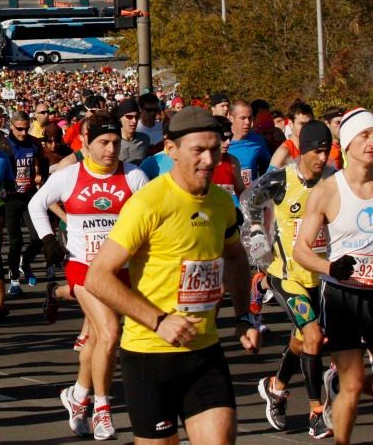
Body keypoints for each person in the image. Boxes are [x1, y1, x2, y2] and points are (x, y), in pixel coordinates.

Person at [85, 107, 261, 444]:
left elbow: (236, 258)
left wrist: (243, 316)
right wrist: (159, 320)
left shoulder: (221, 203)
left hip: (205, 351)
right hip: (151, 355)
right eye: (198, 150)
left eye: (215, 149)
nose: (209, 160)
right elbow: (99, 277)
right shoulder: (148, 204)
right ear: (171, 150)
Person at [29, 112, 149, 439]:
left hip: (120, 271)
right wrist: (49, 240)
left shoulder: (135, 178)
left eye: (115, 142)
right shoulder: (69, 176)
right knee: (109, 333)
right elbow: (36, 205)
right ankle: (102, 410)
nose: (111, 149)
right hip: (83, 267)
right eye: (103, 143)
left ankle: (77, 395)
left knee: (97, 339)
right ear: (86, 143)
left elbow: (154, 218)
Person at [242, 120, 335, 439]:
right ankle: (317, 412)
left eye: (326, 150)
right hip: (286, 274)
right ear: (304, 150)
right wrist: (256, 231)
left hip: (320, 275)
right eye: (316, 151)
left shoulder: (332, 179)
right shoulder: (282, 179)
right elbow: (250, 200)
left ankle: (275, 387)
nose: (322, 157)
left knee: (301, 339)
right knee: (313, 337)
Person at [293, 109, 373, 445]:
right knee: (353, 386)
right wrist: (330, 267)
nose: (372, 142)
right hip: (343, 295)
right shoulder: (327, 190)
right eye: (365, 135)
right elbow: (302, 250)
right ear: (349, 142)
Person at [0, 110, 49, 295]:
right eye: (19, 129)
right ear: (11, 126)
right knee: (15, 241)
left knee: (38, 237)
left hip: (29, 196)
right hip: (11, 198)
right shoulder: (5, 144)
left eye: (26, 129)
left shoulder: (34, 142)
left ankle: (25, 262)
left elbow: (43, 166)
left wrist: (40, 178)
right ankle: (13, 280)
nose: (22, 133)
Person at [228, 99, 271, 188]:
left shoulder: (257, 141)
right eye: (242, 118)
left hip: (248, 199)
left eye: (250, 118)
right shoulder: (220, 141)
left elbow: (267, 168)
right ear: (231, 118)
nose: (247, 122)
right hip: (224, 199)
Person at [270, 100, 315, 170]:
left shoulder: (314, 147)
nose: (306, 128)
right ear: (290, 124)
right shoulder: (283, 152)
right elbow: (268, 179)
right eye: (302, 124)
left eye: (309, 124)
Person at [115, 99, 151, 165]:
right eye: (129, 117)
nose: (134, 121)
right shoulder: (113, 141)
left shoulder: (145, 139)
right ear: (120, 118)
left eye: (137, 117)